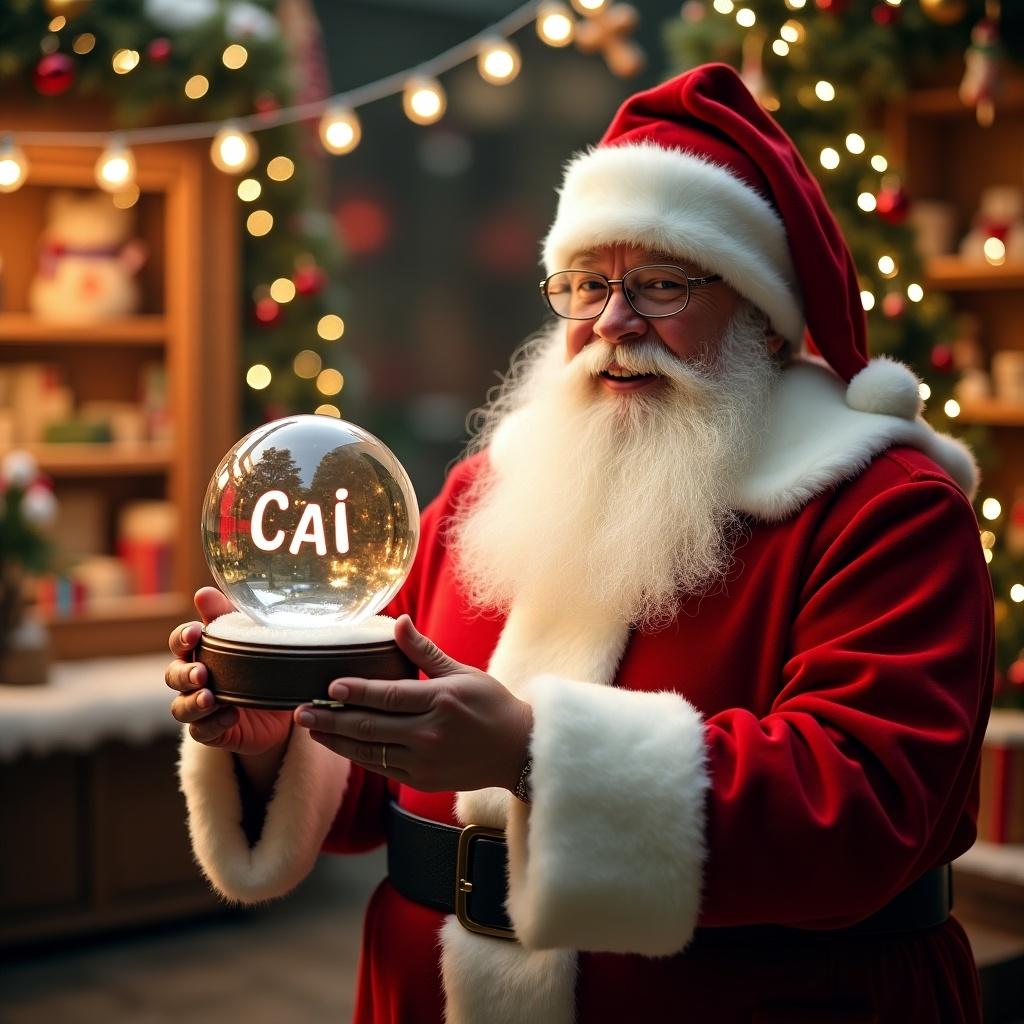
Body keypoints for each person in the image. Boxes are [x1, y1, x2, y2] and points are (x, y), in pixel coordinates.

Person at [166, 64, 993, 1023]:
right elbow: (376, 780)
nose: (612, 322)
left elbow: (862, 806)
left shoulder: (882, 508)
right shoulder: (489, 493)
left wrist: (532, 755)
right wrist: (276, 736)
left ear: (766, 319)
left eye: (661, 283)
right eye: (585, 284)